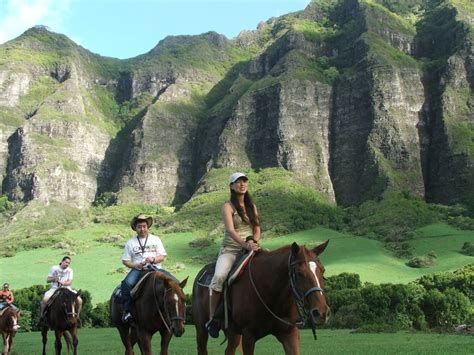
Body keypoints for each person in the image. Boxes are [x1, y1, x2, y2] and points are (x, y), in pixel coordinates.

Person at [206, 172, 261, 338]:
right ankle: (212, 319)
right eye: (238, 182)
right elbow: (230, 230)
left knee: (274, 267)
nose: (242, 184)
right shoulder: (227, 207)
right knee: (219, 277)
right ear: (231, 186)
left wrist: (253, 241)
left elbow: (257, 228)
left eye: (244, 181)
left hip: (251, 246)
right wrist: (245, 244)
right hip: (230, 249)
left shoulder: (252, 206)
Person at [120, 214, 167, 323]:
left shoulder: (156, 239)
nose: (142, 229)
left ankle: (175, 312)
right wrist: (135, 265)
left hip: (155, 268)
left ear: (148, 227)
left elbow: (162, 256)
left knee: (174, 282)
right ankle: (127, 311)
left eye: (144, 226)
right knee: (126, 284)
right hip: (138, 269)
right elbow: (125, 260)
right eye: (139, 227)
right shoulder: (130, 243)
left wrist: (154, 259)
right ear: (135, 228)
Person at [40, 256, 83, 322]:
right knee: (45, 299)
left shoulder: (70, 270)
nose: (67, 264)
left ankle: (77, 316)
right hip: (55, 288)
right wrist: (54, 279)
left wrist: (63, 283)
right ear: (62, 261)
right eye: (66, 262)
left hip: (67, 288)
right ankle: (42, 316)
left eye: (68, 263)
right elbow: (48, 280)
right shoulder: (54, 268)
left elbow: (70, 282)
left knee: (79, 300)